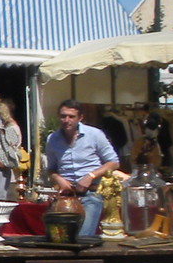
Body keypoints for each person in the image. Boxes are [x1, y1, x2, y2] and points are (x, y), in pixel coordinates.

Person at [44, 100, 120, 238]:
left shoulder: (95, 135)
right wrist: (58, 179)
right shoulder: (52, 139)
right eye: (63, 116)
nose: (66, 120)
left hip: (90, 194)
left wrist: (90, 176)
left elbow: (113, 162)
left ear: (80, 118)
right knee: (61, 237)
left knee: (83, 237)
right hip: (66, 196)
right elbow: (51, 169)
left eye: (71, 117)